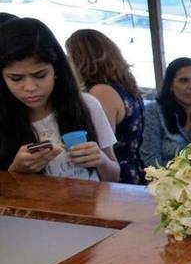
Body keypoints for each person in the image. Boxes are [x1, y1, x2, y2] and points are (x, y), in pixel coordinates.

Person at [0, 18, 120, 181]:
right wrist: (16, 170)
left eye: (40, 75)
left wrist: (101, 159)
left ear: (56, 70)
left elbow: (114, 176)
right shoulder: (4, 117)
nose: (30, 87)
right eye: (16, 78)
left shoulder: (88, 105)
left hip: (90, 205)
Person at [65, 29, 146, 184]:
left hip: (117, 178)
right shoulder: (125, 86)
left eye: (69, 57)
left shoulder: (101, 93)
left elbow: (104, 144)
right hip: (134, 169)